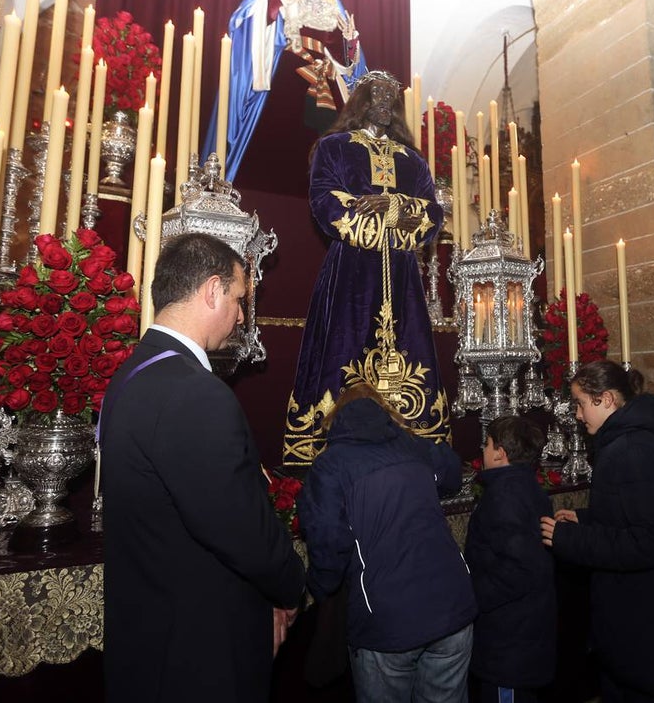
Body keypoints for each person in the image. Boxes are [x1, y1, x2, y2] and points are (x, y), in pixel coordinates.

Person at [101, 233, 305, 702]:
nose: (239, 315)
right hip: (197, 655)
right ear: (212, 290)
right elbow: (240, 529)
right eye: (238, 299)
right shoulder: (193, 391)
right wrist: (290, 587)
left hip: (152, 640)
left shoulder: (134, 371)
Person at [283, 70, 448, 464]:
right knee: (343, 348)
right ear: (360, 100)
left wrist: (395, 208)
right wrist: (380, 224)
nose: (384, 103)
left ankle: (415, 448)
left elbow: (433, 213)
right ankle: (332, 450)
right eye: (377, 94)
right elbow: (325, 201)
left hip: (403, 276)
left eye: (392, 97)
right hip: (351, 273)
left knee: (410, 347)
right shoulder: (335, 147)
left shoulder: (413, 160)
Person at [540, 360, 654, 703]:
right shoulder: (627, 443)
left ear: (606, 399)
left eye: (580, 403)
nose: (577, 415)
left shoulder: (633, 450)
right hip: (646, 618)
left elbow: (650, 541)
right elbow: (639, 512)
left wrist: (570, 539)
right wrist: (586, 518)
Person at [296, 383, 477, 703]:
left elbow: (328, 544)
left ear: (336, 416)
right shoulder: (413, 447)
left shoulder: (330, 466)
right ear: (384, 410)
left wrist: (319, 590)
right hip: (453, 605)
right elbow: (452, 473)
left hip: (387, 620)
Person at [204, 0, 368, 181]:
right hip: (288, 76)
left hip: (326, 84)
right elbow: (242, 22)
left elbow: (346, 65)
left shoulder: (332, 10)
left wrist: (349, 42)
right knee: (277, 144)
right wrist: (279, 1)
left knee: (332, 150)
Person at [465, 415, 557, 703]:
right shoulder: (526, 487)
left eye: (487, 443)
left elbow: (520, 569)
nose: (483, 449)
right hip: (523, 630)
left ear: (500, 453)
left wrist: (472, 596)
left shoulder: (504, 495)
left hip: (510, 641)